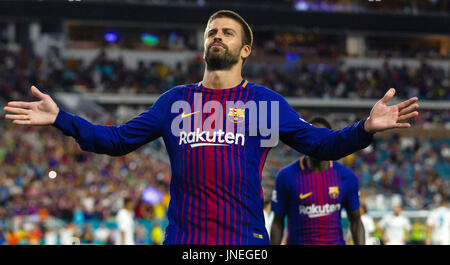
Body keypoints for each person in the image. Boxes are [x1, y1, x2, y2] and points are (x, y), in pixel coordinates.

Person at [3, 10, 419, 245]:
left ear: (245, 49)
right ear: (204, 45)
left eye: (227, 33)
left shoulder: (264, 103)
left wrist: (365, 128)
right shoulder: (174, 102)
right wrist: (61, 118)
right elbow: (114, 141)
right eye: (211, 32)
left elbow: (321, 144)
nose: (217, 36)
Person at [270, 117, 365, 245]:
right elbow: (277, 221)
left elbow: (356, 221)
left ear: (330, 141)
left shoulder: (347, 177)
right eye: (311, 137)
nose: (316, 142)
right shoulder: (286, 176)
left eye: (321, 137)